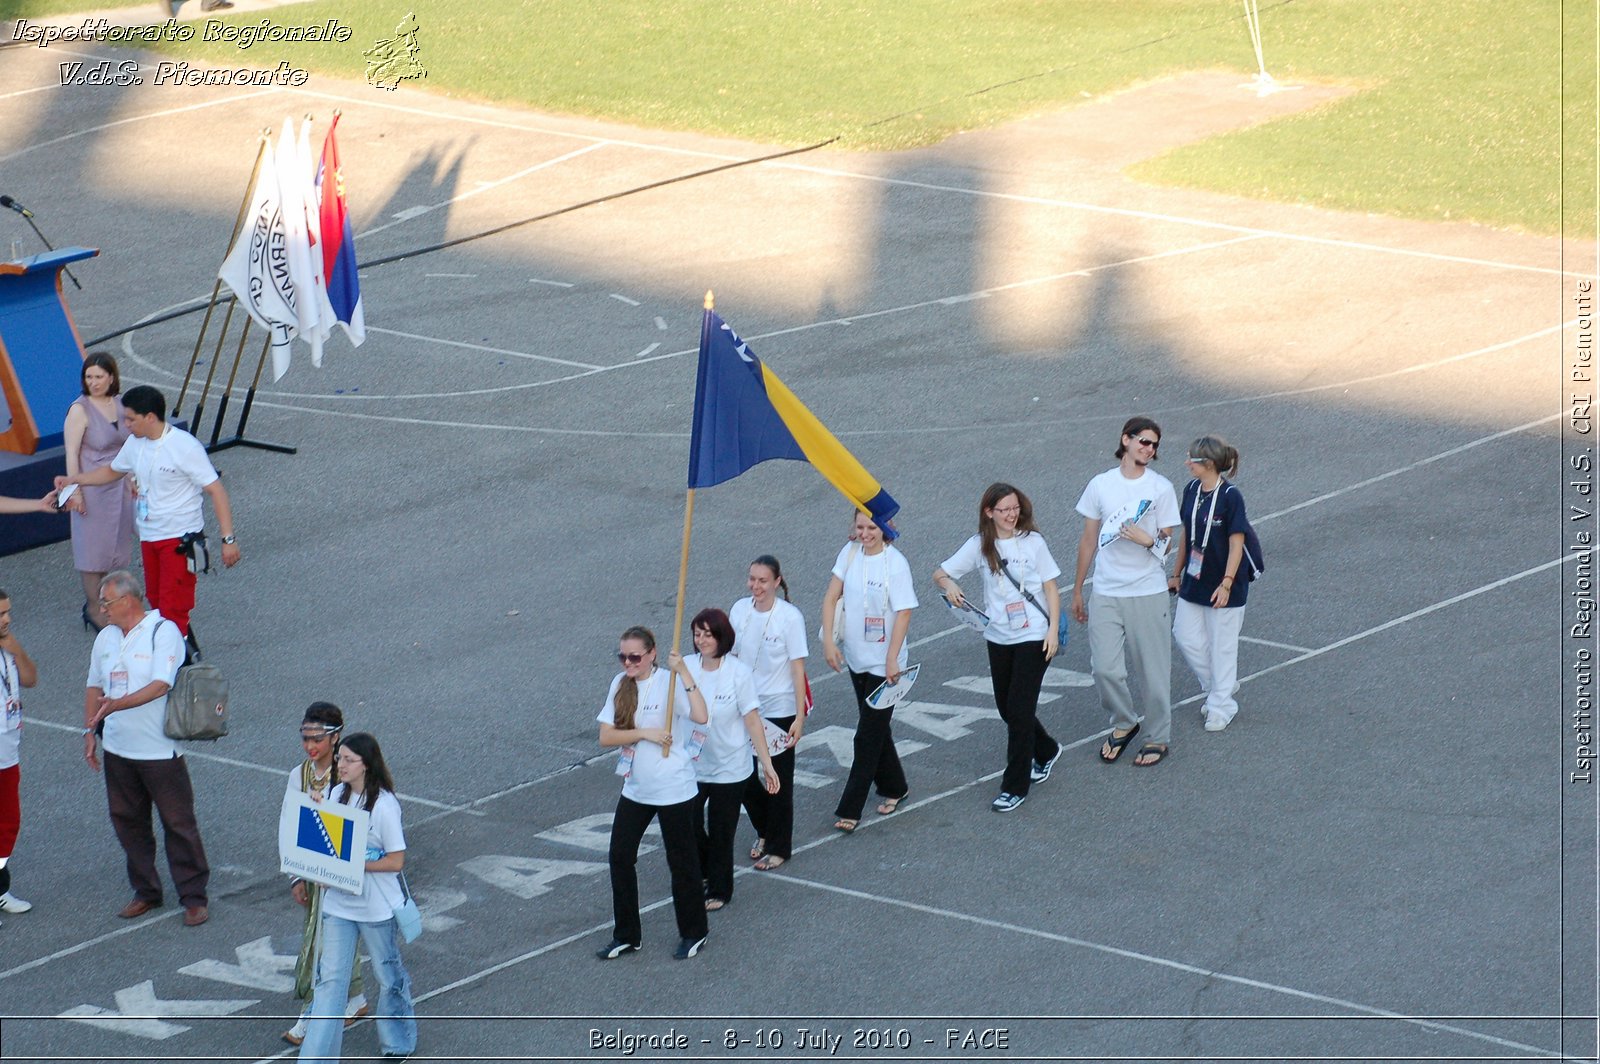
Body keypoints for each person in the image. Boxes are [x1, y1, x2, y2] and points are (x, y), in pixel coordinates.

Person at [55, 384, 240, 640]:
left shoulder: (185, 447)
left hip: (178, 538)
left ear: (150, 417)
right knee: (155, 598)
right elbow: (113, 471)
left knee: (173, 603)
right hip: (150, 536)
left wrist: (227, 539)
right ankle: (178, 651)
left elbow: (216, 491)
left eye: (130, 419)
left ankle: (174, 663)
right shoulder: (135, 443)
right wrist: (76, 480)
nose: (126, 424)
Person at [82, 570, 211, 925]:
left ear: (127, 601)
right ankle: (146, 892)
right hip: (118, 750)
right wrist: (89, 729)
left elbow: (159, 685)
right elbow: (94, 685)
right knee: (128, 822)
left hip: (158, 751)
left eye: (106, 603)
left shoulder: (163, 631)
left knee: (178, 823)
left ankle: (194, 896)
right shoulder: (106, 638)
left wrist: (116, 705)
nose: (102, 610)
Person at [933, 483, 1064, 813]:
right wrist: (950, 585)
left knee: (1019, 712)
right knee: (1008, 708)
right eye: (1004, 509)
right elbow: (941, 573)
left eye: (1015, 507)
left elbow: (1051, 588)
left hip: (1034, 633)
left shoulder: (1033, 542)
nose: (1011, 514)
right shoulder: (979, 545)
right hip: (999, 635)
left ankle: (1014, 786)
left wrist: (1052, 631)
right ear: (988, 512)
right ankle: (1046, 749)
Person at [1070, 416, 1182, 768]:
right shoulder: (1100, 485)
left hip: (1147, 592)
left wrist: (1146, 540)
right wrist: (1077, 590)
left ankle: (1158, 736)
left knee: (1153, 671)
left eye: (1154, 445)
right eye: (1144, 441)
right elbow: (1088, 540)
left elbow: (1167, 543)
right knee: (1104, 669)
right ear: (1126, 440)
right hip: (1106, 591)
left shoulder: (1160, 488)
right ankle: (1123, 722)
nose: (1149, 449)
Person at [298, 732, 417, 1064]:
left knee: (388, 974)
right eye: (340, 759)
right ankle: (316, 1059)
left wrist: (355, 864)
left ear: (367, 764)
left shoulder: (384, 806)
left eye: (349, 759)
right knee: (330, 981)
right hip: (339, 904)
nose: (341, 765)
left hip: (375, 907)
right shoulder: (336, 794)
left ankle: (399, 1042)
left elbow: (396, 860)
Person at [596, 626, 712, 960]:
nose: (628, 663)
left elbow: (702, 716)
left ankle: (694, 932)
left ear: (652, 654)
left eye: (634, 657)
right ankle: (627, 935)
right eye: (623, 656)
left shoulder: (669, 682)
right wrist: (645, 733)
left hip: (674, 788)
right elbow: (606, 736)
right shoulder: (620, 685)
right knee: (619, 856)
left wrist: (685, 672)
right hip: (636, 788)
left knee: (682, 862)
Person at [822, 510, 917, 832]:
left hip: (885, 663)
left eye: (872, 527)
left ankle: (850, 808)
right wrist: (829, 644)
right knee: (876, 728)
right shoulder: (849, 553)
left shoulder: (896, 564)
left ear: (887, 528)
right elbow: (831, 597)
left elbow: (903, 613)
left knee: (866, 735)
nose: (865, 533)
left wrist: (892, 659)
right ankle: (895, 787)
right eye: (860, 527)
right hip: (857, 657)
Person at [281, 704, 369, 1048]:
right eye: (305, 738)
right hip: (315, 875)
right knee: (325, 937)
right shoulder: (298, 776)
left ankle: (312, 1013)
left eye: (317, 738)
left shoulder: (348, 775)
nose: (309, 745)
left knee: (321, 944)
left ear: (335, 737)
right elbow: (288, 824)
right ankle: (354, 998)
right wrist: (295, 876)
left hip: (344, 876)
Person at [685, 609, 778, 910]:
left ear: (721, 637)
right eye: (697, 634)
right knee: (689, 823)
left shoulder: (738, 672)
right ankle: (704, 870)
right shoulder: (685, 668)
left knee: (722, 830)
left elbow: (752, 719)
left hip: (730, 767)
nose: (701, 640)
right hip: (694, 765)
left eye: (708, 634)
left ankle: (719, 889)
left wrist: (766, 762)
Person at [729, 555, 808, 871]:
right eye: (752, 579)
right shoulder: (739, 610)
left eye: (763, 580)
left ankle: (778, 846)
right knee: (742, 773)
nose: (756, 586)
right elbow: (731, 656)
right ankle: (764, 827)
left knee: (778, 779)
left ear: (776, 582)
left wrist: (799, 717)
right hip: (745, 707)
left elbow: (797, 667)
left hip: (779, 709)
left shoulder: (789, 617)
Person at [1169, 436, 1252, 733]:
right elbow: (1185, 533)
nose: (1186, 462)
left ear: (1209, 464)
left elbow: (1237, 542)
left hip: (1224, 580)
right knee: (1184, 634)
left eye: (1192, 459)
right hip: (1195, 577)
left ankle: (1221, 705)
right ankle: (1221, 686)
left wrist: (1227, 583)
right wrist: (1176, 573)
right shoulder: (1191, 489)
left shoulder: (1230, 496)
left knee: (1222, 645)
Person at [63, 352, 136, 632]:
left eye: (98, 377)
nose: (93, 382)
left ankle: (116, 605)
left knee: (117, 550)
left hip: (120, 487)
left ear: (111, 378)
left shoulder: (119, 404)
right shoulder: (79, 410)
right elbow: (71, 454)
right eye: (89, 377)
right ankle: (94, 608)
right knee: (93, 555)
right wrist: (75, 491)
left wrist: (135, 480)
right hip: (92, 490)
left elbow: (129, 447)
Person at [0, 590, 38, 923]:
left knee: (8, 823)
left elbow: (30, 679)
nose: (7, 619)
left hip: (8, 748)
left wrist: (17, 650)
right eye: (0, 615)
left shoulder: (8, 648)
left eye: (7, 612)